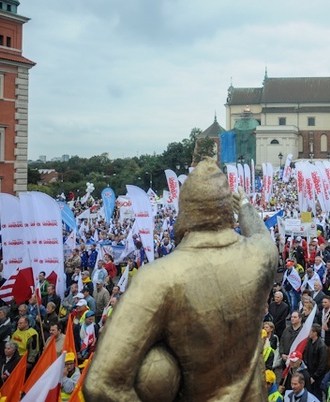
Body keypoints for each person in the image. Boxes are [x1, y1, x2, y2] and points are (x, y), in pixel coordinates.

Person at [84, 163, 278, 402]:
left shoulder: (158, 278)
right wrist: (246, 207)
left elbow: (101, 384)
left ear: (184, 211)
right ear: (227, 209)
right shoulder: (260, 256)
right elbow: (262, 235)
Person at [303, 324, 327, 400]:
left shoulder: (321, 346)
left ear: (315, 333)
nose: (309, 333)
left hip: (317, 376)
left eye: (310, 331)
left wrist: (315, 376)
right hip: (309, 372)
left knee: (317, 394)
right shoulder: (309, 342)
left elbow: (322, 364)